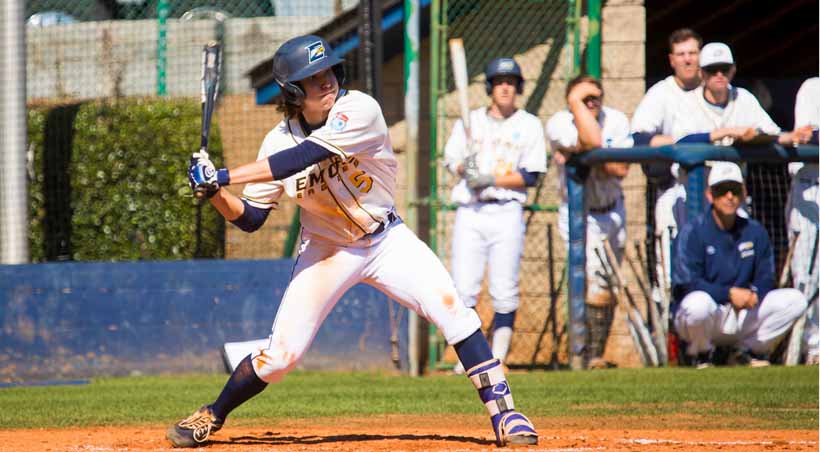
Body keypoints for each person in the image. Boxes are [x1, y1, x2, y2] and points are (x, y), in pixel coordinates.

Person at [167, 35, 538, 448]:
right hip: (326, 251)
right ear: (293, 91)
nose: (326, 81)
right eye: (313, 77)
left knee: (454, 310)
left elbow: (304, 156)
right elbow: (252, 219)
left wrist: (222, 175)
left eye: (328, 71)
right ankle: (212, 414)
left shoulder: (359, 108)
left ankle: (506, 416)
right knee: (280, 357)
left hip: (386, 240)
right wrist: (215, 194)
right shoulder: (275, 140)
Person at [443, 57, 547, 372]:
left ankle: (497, 357)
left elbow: (531, 175)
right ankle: (471, 358)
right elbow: (452, 160)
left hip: (507, 210)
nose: (505, 87)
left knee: (504, 287)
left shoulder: (528, 124)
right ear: (490, 87)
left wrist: (490, 178)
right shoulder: (470, 121)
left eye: (511, 82)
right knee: (463, 287)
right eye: (500, 82)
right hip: (471, 211)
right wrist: (465, 168)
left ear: (518, 87)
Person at [672, 162, 808, 368]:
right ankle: (702, 354)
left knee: (795, 300)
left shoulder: (754, 231)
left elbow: (766, 276)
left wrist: (754, 294)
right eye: (721, 191)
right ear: (710, 195)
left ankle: (747, 352)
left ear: (743, 193)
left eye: (734, 190)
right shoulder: (693, 232)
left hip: (743, 312)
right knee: (696, 305)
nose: (729, 196)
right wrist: (728, 294)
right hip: (711, 312)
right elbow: (688, 283)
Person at [666, 42, 813, 231]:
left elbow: (771, 133)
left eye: (724, 69)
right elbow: (680, 142)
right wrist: (727, 132)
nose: (719, 75)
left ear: (733, 70)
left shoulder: (743, 98)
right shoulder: (687, 102)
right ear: (701, 73)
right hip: (694, 192)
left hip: (732, 192)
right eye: (712, 69)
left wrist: (790, 136)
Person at [546, 74, 633, 369]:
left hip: (612, 210)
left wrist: (588, 153)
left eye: (595, 97)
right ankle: (582, 353)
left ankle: (595, 352)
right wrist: (577, 107)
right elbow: (595, 140)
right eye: (584, 99)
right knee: (589, 282)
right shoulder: (559, 121)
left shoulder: (617, 120)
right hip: (578, 213)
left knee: (608, 284)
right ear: (571, 102)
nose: (591, 103)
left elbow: (620, 168)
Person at [630, 28, 702, 291]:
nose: (687, 59)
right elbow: (639, 139)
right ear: (671, 60)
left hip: (718, 191)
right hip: (675, 191)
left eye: (692, 53)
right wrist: (687, 141)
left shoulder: (718, 90)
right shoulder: (661, 93)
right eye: (681, 54)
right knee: (671, 272)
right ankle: (671, 329)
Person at [787, 77, 819, 365]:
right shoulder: (812, 87)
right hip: (810, 187)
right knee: (806, 274)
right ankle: (809, 346)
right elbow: (807, 135)